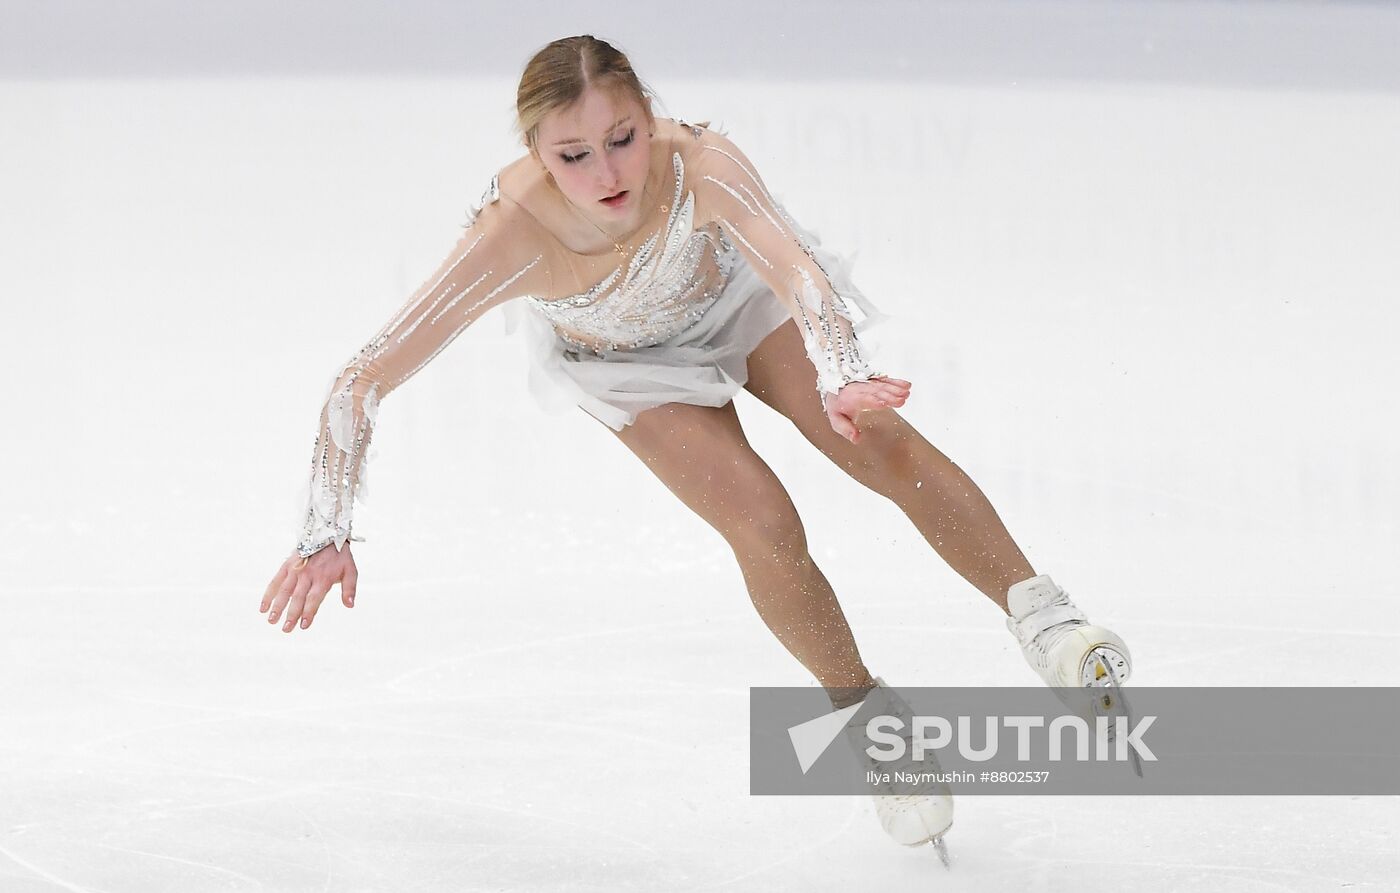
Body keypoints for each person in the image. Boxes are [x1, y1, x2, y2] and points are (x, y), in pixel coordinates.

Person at [258, 35, 1133, 858]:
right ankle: (876, 730)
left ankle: (1043, 617)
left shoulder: (699, 163)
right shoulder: (511, 235)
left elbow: (792, 265)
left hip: (731, 296)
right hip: (628, 361)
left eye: (623, 137)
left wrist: (838, 367)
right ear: (534, 151)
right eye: (572, 155)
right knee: (762, 518)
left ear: (650, 112)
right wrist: (323, 526)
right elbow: (361, 377)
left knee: (876, 436)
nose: (607, 172)